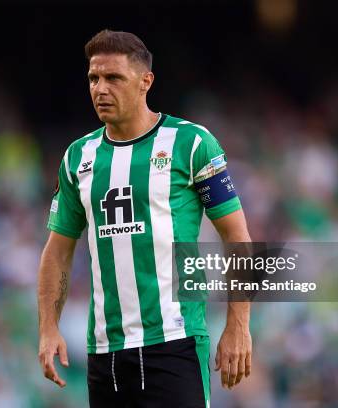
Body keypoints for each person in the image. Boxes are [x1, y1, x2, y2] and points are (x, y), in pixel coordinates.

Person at [37, 29, 252, 408]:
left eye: (114, 78)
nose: (100, 88)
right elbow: (57, 251)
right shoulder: (78, 157)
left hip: (175, 343)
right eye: (93, 78)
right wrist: (48, 327)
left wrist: (238, 325)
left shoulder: (192, 144)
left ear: (145, 82)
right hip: (105, 353)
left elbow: (237, 237)